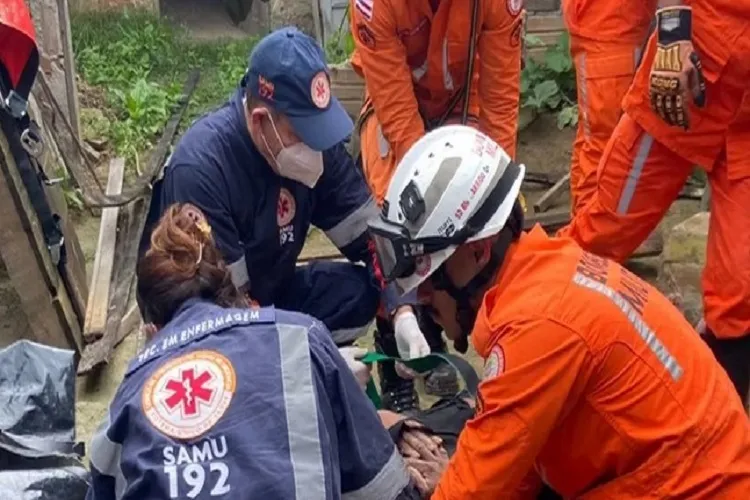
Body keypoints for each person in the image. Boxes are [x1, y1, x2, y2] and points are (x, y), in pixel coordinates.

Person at [368, 124, 750, 498]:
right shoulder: (548, 274)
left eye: (430, 276)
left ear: (478, 250)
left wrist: (453, 484)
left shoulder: (538, 326)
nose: (422, 297)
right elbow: (520, 460)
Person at [138, 27, 433, 412]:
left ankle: (387, 362)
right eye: (306, 133)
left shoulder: (313, 150)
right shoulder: (203, 171)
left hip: (269, 294)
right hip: (206, 326)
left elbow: (375, 239)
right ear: (261, 121)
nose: (318, 148)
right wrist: (312, 363)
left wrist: (403, 310)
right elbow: (223, 315)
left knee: (363, 291)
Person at [88, 203, 423, 500]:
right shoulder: (300, 338)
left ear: (152, 331)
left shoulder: (127, 396)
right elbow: (385, 488)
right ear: (231, 294)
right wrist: (329, 386)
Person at [558, 1, 750, 401]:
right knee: (602, 230)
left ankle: (716, 434)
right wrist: (673, 28)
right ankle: (527, 336)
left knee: (740, 293)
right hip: (687, 74)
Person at [348, 0, 523, 409]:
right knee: (394, 215)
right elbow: (399, 115)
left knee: (490, 211)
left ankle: (484, 322)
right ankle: (398, 340)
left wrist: (493, 203)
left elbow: (500, 101)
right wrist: (434, 203)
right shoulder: (374, 7)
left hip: (464, 104)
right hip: (398, 111)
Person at [562, 0, 656, 213]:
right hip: (613, 31)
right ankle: (590, 237)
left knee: (591, 138)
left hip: (600, 26)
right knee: (605, 145)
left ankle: (580, 229)